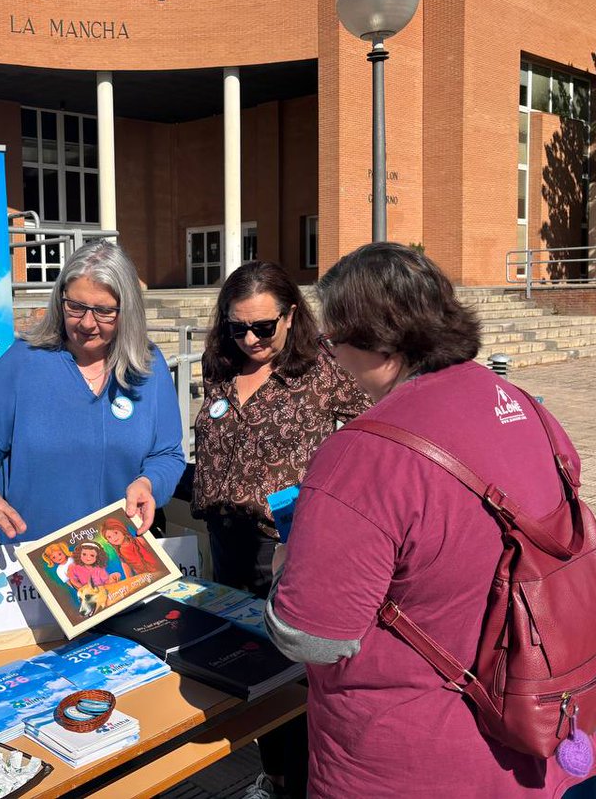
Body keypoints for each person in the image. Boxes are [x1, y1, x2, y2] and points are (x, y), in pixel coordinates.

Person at [266, 243, 596, 797]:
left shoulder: (364, 453)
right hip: (537, 727)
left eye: (332, 340)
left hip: (411, 760)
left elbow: (312, 636)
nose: (330, 356)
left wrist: (285, 567)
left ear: (375, 339)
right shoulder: (527, 407)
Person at [191, 260, 369, 799]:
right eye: (237, 325)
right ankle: (275, 773)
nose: (249, 338)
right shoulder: (220, 363)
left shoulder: (322, 367)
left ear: (291, 317)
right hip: (226, 538)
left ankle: (305, 781)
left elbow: (376, 426)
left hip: (287, 542)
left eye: (263, 327)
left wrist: (334, 501)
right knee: (247, 661)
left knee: (292, 667)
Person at [0, 240, 185, 543]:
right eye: (76, 306)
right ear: (60, 300)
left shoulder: (148, 366)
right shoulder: (25, 361)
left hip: (117, 565)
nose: (87, 323)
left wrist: (150, 483)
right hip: (31, 565)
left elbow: (167, 454)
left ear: (127, 310)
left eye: (103, 311)